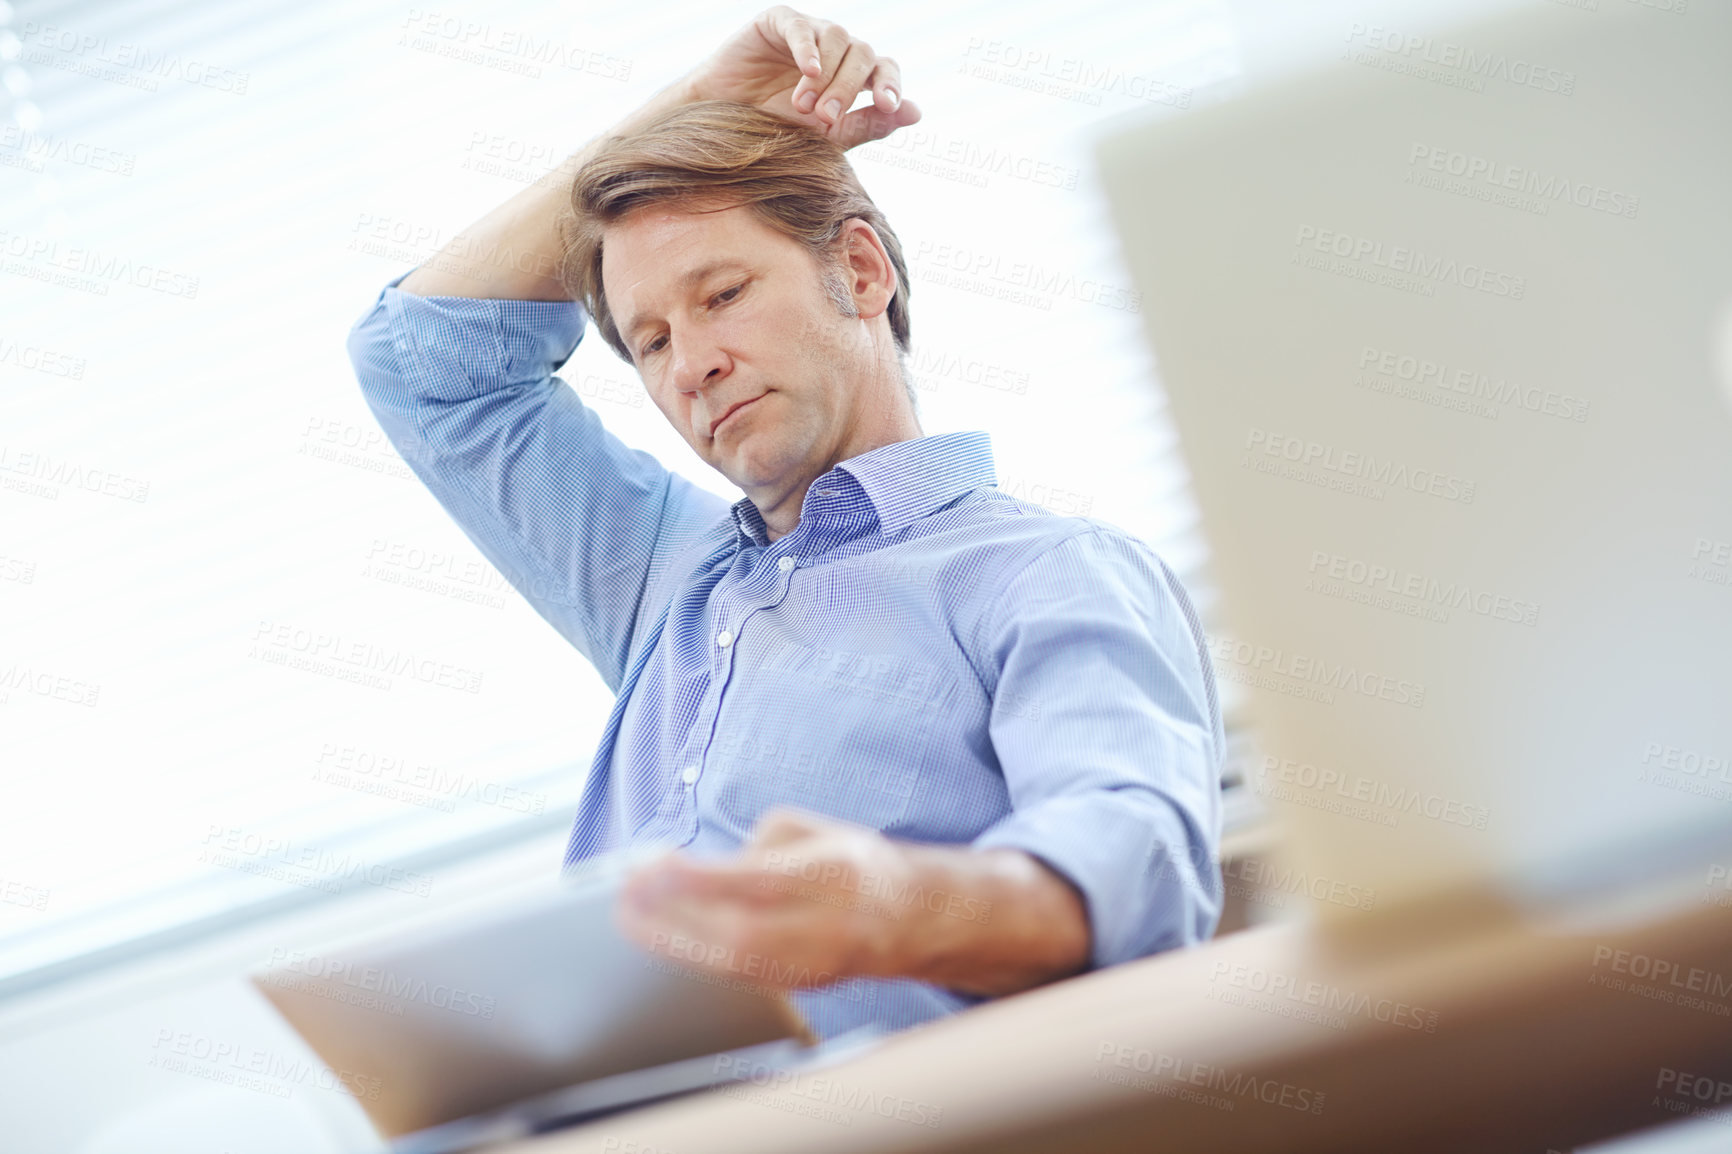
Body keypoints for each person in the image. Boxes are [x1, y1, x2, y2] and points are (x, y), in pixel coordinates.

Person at [346, 5, 1223, 1040]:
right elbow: (425, 364)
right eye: (651, 338)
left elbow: (1136, 865)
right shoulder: (664, 572)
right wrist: (696, 112)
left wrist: (896, 904)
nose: (691, 363)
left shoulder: (1049, 572)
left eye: (720, 293)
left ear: (859, 271)